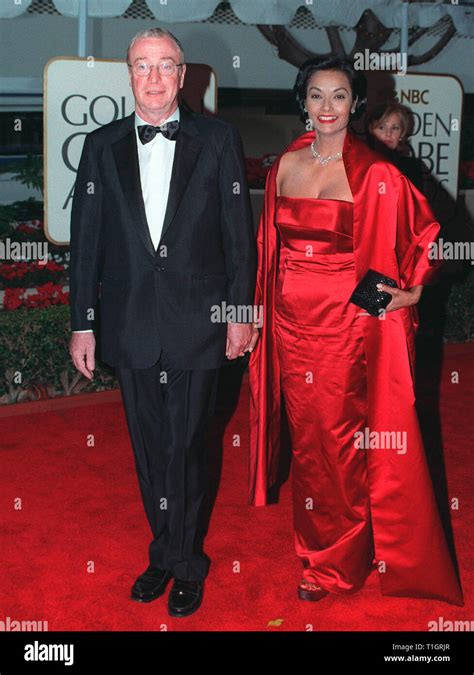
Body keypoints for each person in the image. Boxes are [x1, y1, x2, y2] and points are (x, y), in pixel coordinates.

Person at [248, 57, 463, 606]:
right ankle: (326, 544)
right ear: (304, 102)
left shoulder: (375, 170)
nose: (326, 107)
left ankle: (333, 563)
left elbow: (430, 236)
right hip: (289, 326)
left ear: (355, 104)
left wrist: (414, 290)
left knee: (338, 446)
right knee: (308, 445)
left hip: (345, 329)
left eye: (338, 96)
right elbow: (266, 252)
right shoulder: (284, 165)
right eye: (316, 95)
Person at [69, 27, 256, 618]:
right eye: (141, 65)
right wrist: (83, 322)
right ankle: (164, 552)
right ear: (128, 74)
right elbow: (87, 242)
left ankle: (186, 563)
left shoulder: (220, 139)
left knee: (186, 446)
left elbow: (239, 238)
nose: (153, 77)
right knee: (150, 449)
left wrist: (241, 316)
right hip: (129, 325)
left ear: (184, 75)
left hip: (200, 323)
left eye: (164, 65)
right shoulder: (101, 147)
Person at [366, 102, 424, 191]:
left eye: (395, 128)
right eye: (381, 127)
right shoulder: (358, 165)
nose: (388, 134)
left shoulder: (411, 168)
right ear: (371, 130)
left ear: (402, 133)